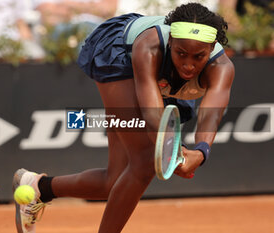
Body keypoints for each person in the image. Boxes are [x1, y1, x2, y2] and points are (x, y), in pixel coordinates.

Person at [13, 2, 235, 233]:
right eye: (181, 54)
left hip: (156, 72)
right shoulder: (149, 46)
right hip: (119, 49)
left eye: (199, 56)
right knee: (145, 161)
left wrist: (200, 152)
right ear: (170, 41)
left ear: (212, 48)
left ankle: (40, 187)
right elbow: (151, 114)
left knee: (114, 182)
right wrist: (172, 151)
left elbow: (211, 115)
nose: (189, 64)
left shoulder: (222, 67)